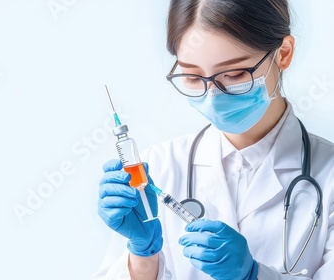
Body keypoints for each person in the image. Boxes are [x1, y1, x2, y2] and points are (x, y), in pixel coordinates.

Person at [94, 0, 334, 279]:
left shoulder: (328, 174)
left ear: (283, 53)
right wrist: (143, 255)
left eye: (234, 74)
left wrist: (253, 275)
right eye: (193, 77)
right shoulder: (156, 165)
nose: (212, 95)